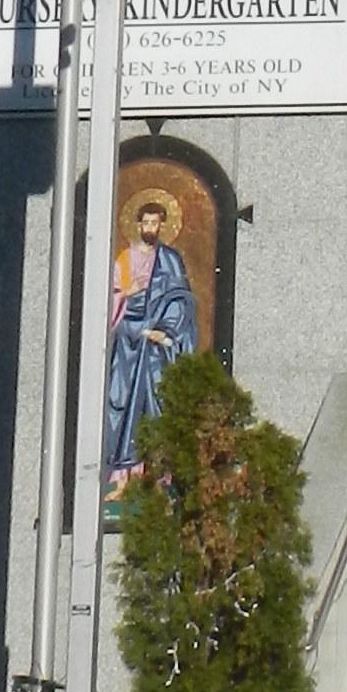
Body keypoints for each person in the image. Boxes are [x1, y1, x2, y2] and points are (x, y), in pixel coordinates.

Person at [103, 196, 198, 500]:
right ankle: (121, 481)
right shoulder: (125, 259)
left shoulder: (170, 259)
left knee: (156, 408)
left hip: (157, 351)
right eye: (146, 223)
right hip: (129, 345)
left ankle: (159, 478)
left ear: (162, 226)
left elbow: (181, 298)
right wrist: (128, 295)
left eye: (156, 223)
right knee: (123, 407)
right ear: (138, 224)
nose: (151, 228)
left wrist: (165, 330)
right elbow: (111, 300)